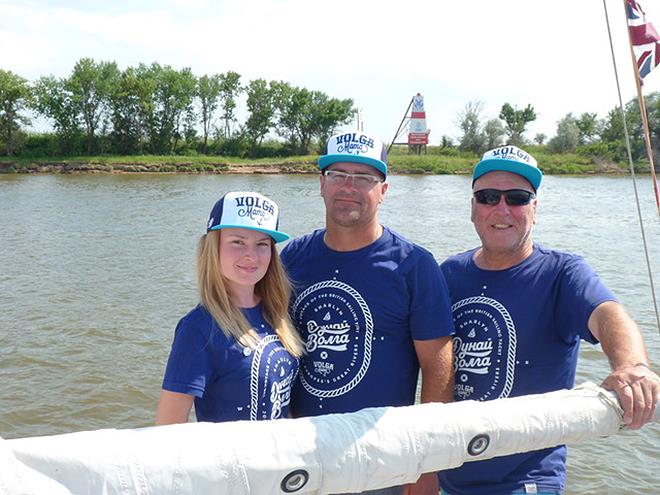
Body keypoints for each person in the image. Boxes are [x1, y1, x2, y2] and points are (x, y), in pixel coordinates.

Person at [438, 145, 660, 495]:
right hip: (449, 474)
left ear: (535, 208)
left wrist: (633, 365)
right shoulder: (448, 273)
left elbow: (609, 314)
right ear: (473, 207)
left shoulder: (562, 273)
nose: (502, 208)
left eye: (517, 198)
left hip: (526, 482)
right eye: (488, 196)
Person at [281, 130, 455, 495]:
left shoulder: (414, 266)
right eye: (338, 175)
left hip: (381, 461)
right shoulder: (291, 259)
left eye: (364, 178)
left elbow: (437, 370)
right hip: (301, 457)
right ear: (321, 184)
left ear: (384, 190)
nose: (349, 187)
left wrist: (427, 463)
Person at [155, 191, 304, 425]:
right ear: (213, 248)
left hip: (281, 459)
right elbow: (168, 425)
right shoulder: (199, 329)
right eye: (238, 242)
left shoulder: (277, 313)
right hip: (232, 462)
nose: (251, 255)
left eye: (262, 244)